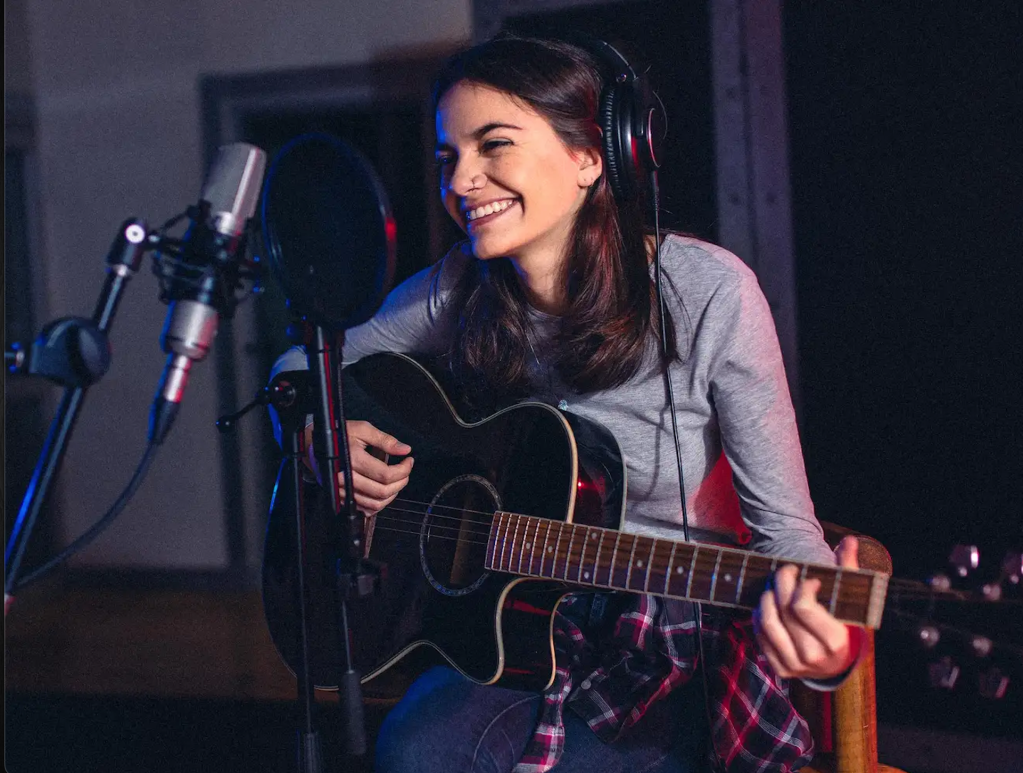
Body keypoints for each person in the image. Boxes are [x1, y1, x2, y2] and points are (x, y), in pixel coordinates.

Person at [272, 34, 863, 773]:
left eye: (494, 145)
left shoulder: (712, 292)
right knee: (416, 750)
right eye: (447, 158)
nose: (463, 180)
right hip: (523, 623)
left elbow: (786, 529)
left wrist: (830, 647)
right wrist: (320, 432)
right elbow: (304, 363)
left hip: (672, 644)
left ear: (592, 157)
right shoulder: (458, 287)